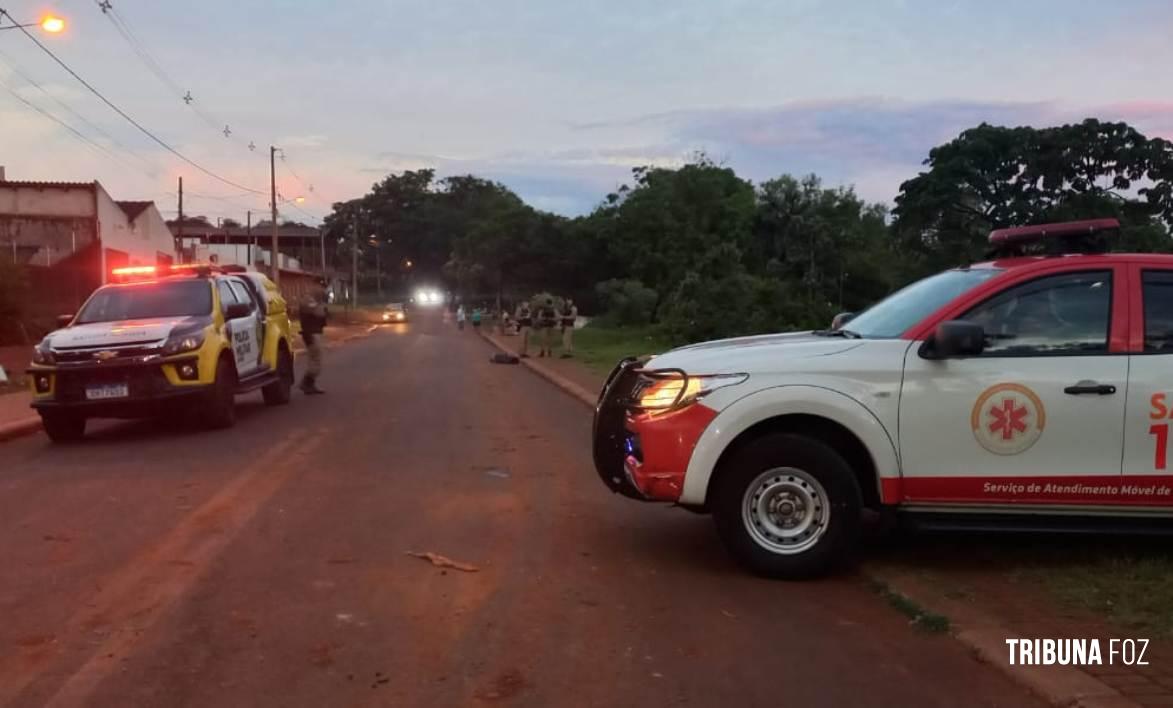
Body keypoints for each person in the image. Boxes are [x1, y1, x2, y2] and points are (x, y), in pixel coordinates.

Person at [298, 278, 329, 395]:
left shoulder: (314, 299)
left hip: (315, 332)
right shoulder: (308, 299)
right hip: (310, 333)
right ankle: (306, 383)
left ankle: (309, 385)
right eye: (321, 288)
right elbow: (319, 313)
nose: (322, 291)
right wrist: (322, 305)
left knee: (315, 360)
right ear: (315, 286)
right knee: (316, 361)